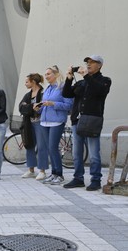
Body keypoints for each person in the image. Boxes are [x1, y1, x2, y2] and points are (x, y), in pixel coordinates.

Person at [62, 55, 112, 191]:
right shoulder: (82, 82)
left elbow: (98, 90)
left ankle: (95, 179)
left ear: (100, 65)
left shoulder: (105, 81)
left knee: (94, 153)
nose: (89, 65)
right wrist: (69, 78)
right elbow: (66, 94)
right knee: (77, 153)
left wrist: (86, 76)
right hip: (77, 120)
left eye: (92, 62)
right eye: (87, 62)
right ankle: (78, 178)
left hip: (92, 120)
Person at [38, 65, 71, 185]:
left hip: (56, 121)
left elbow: (68, 106)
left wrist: (53, 103)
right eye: (45, 74)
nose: (46, 76)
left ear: (56, 74)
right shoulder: (47, 89)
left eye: (48, 74)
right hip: (44, 121)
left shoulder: (63, 87)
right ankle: (53, 173)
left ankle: (59, 175)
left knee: (53, 147)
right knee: (49, 149)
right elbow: (44, 105)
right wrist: (38, 108)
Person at [17, 73, 47, 179]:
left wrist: (28, 107)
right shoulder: (27, 95)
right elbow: (21, 107)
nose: (25, 84)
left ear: (33, 82)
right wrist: (31, 107)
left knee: (41, 146)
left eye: (27, 82)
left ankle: (42, 170)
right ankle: (31, 169)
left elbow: (42, 107)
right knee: (29, 144)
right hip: (29, 123)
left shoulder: (43, 93)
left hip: (40, 122)